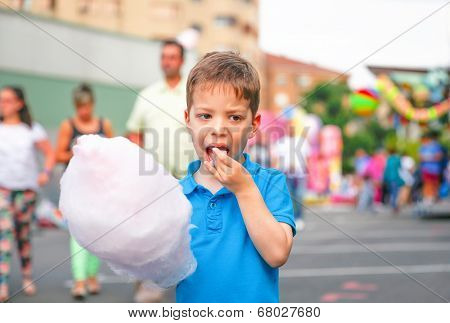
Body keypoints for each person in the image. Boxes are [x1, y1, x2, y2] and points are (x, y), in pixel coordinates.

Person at [177, 52, 296, 302]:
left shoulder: (270, 183)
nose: (219, 129)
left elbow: (277, 254)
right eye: (205, 116)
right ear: (188, 119)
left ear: (254, 124)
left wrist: (244, 189)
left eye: (234, 117)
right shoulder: (175, 196)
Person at [126, 40, 195, 302]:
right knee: (149, 233)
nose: (167, 61)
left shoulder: (193, 95)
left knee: (186, 232)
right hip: (153, 179)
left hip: (188, 177)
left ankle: (188, 286)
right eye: (163, 56)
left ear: (181, 61)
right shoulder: (147, 95)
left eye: (172, 57)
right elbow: (134, 133)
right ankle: (148, 284)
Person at [55, 83, 113, 300]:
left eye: (86, 106)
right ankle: (79, 281)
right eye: (79, 107)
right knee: (77, 235)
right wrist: (78, 151)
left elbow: (113, 153)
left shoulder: (103, 124)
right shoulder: (68, 125)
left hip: (99, 187)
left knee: (97, 234)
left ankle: (92, 276)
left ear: (92, 104)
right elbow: (58, 154)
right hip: (76, 188)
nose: (83, 111)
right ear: (75, 106)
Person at [0, 86, 55, 302]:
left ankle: (26, 276)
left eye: (7, 100)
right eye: (1, 100)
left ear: (19, 104)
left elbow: (49, 154)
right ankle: (2, 284)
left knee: (23, 236)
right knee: (3, 234)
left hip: (27, 190)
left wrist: (46, 172)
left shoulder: (32, 129)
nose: (3, 104)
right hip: (3, 190)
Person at [272, 125, 309, 230]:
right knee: (289, 196)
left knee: (300, 196)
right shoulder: (281, 142)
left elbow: (307, 157)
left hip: (300, 173)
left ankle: (299, 217)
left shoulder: (302, 141)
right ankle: (291, 218)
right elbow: (276, 158)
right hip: (286, 173)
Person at [419, 131, 443, 203]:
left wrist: (428, 158)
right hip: (426, 168)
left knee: (435, 183)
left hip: (435, 169)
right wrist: (432, 157)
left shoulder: (436, 146)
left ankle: (434, 196)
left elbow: (439, 156)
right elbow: (421, 157)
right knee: (427, 183)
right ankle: (427, 197)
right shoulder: (423, 147)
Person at [383, 148, 404, 213]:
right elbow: (401, 168)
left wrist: (385, 178)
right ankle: (394, 206)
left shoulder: (389, 160)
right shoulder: (397, 159)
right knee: (395, 192)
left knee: (392, 192)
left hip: (389, 178)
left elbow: (386, 170)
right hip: (396, 178)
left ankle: (393, 205)